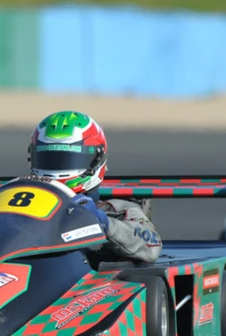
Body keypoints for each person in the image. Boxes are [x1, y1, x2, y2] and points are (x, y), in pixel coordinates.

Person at [26, 110, 162, 263]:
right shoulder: (26, 202)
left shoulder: (115, 210)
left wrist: (102, 222)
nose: (58, 168)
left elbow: (151, 247)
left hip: (83, 275)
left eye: (68, 159)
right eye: (50, 160)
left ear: (97, 160)